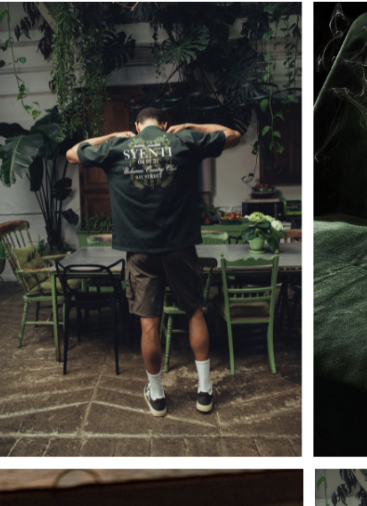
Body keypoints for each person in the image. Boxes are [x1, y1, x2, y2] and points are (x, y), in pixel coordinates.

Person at [68, 105, 241, 417]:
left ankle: (158, 396)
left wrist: (112, 135)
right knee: (194, 312)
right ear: (165, 123)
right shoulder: (184, 141)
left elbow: (71, 154)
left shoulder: (116, 147)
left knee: (150, 323)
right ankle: (204, 391)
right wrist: (191, 123)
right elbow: (232, 135)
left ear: (136, 126)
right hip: (180, 247)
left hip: (140, 250)